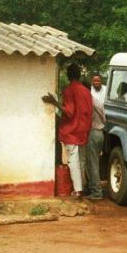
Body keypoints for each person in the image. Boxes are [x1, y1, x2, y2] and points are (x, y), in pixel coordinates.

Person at [42, 63, 93, 198]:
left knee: (73, 161)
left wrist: (54, 102)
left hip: (72, 131)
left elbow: (69, 112)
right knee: (81, 161)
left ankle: (77, 190)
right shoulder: (87, 91)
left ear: (69, 75)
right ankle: (82, 187)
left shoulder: (69, 90)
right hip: (84, 130)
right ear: (79, 75)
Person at [85, 73, 106, 200]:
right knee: (94, 162)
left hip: (93, 133)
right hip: (100, 133)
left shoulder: (89, 101)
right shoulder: (97, 101)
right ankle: (94, 188)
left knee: (92, 164)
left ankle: (96, 192)